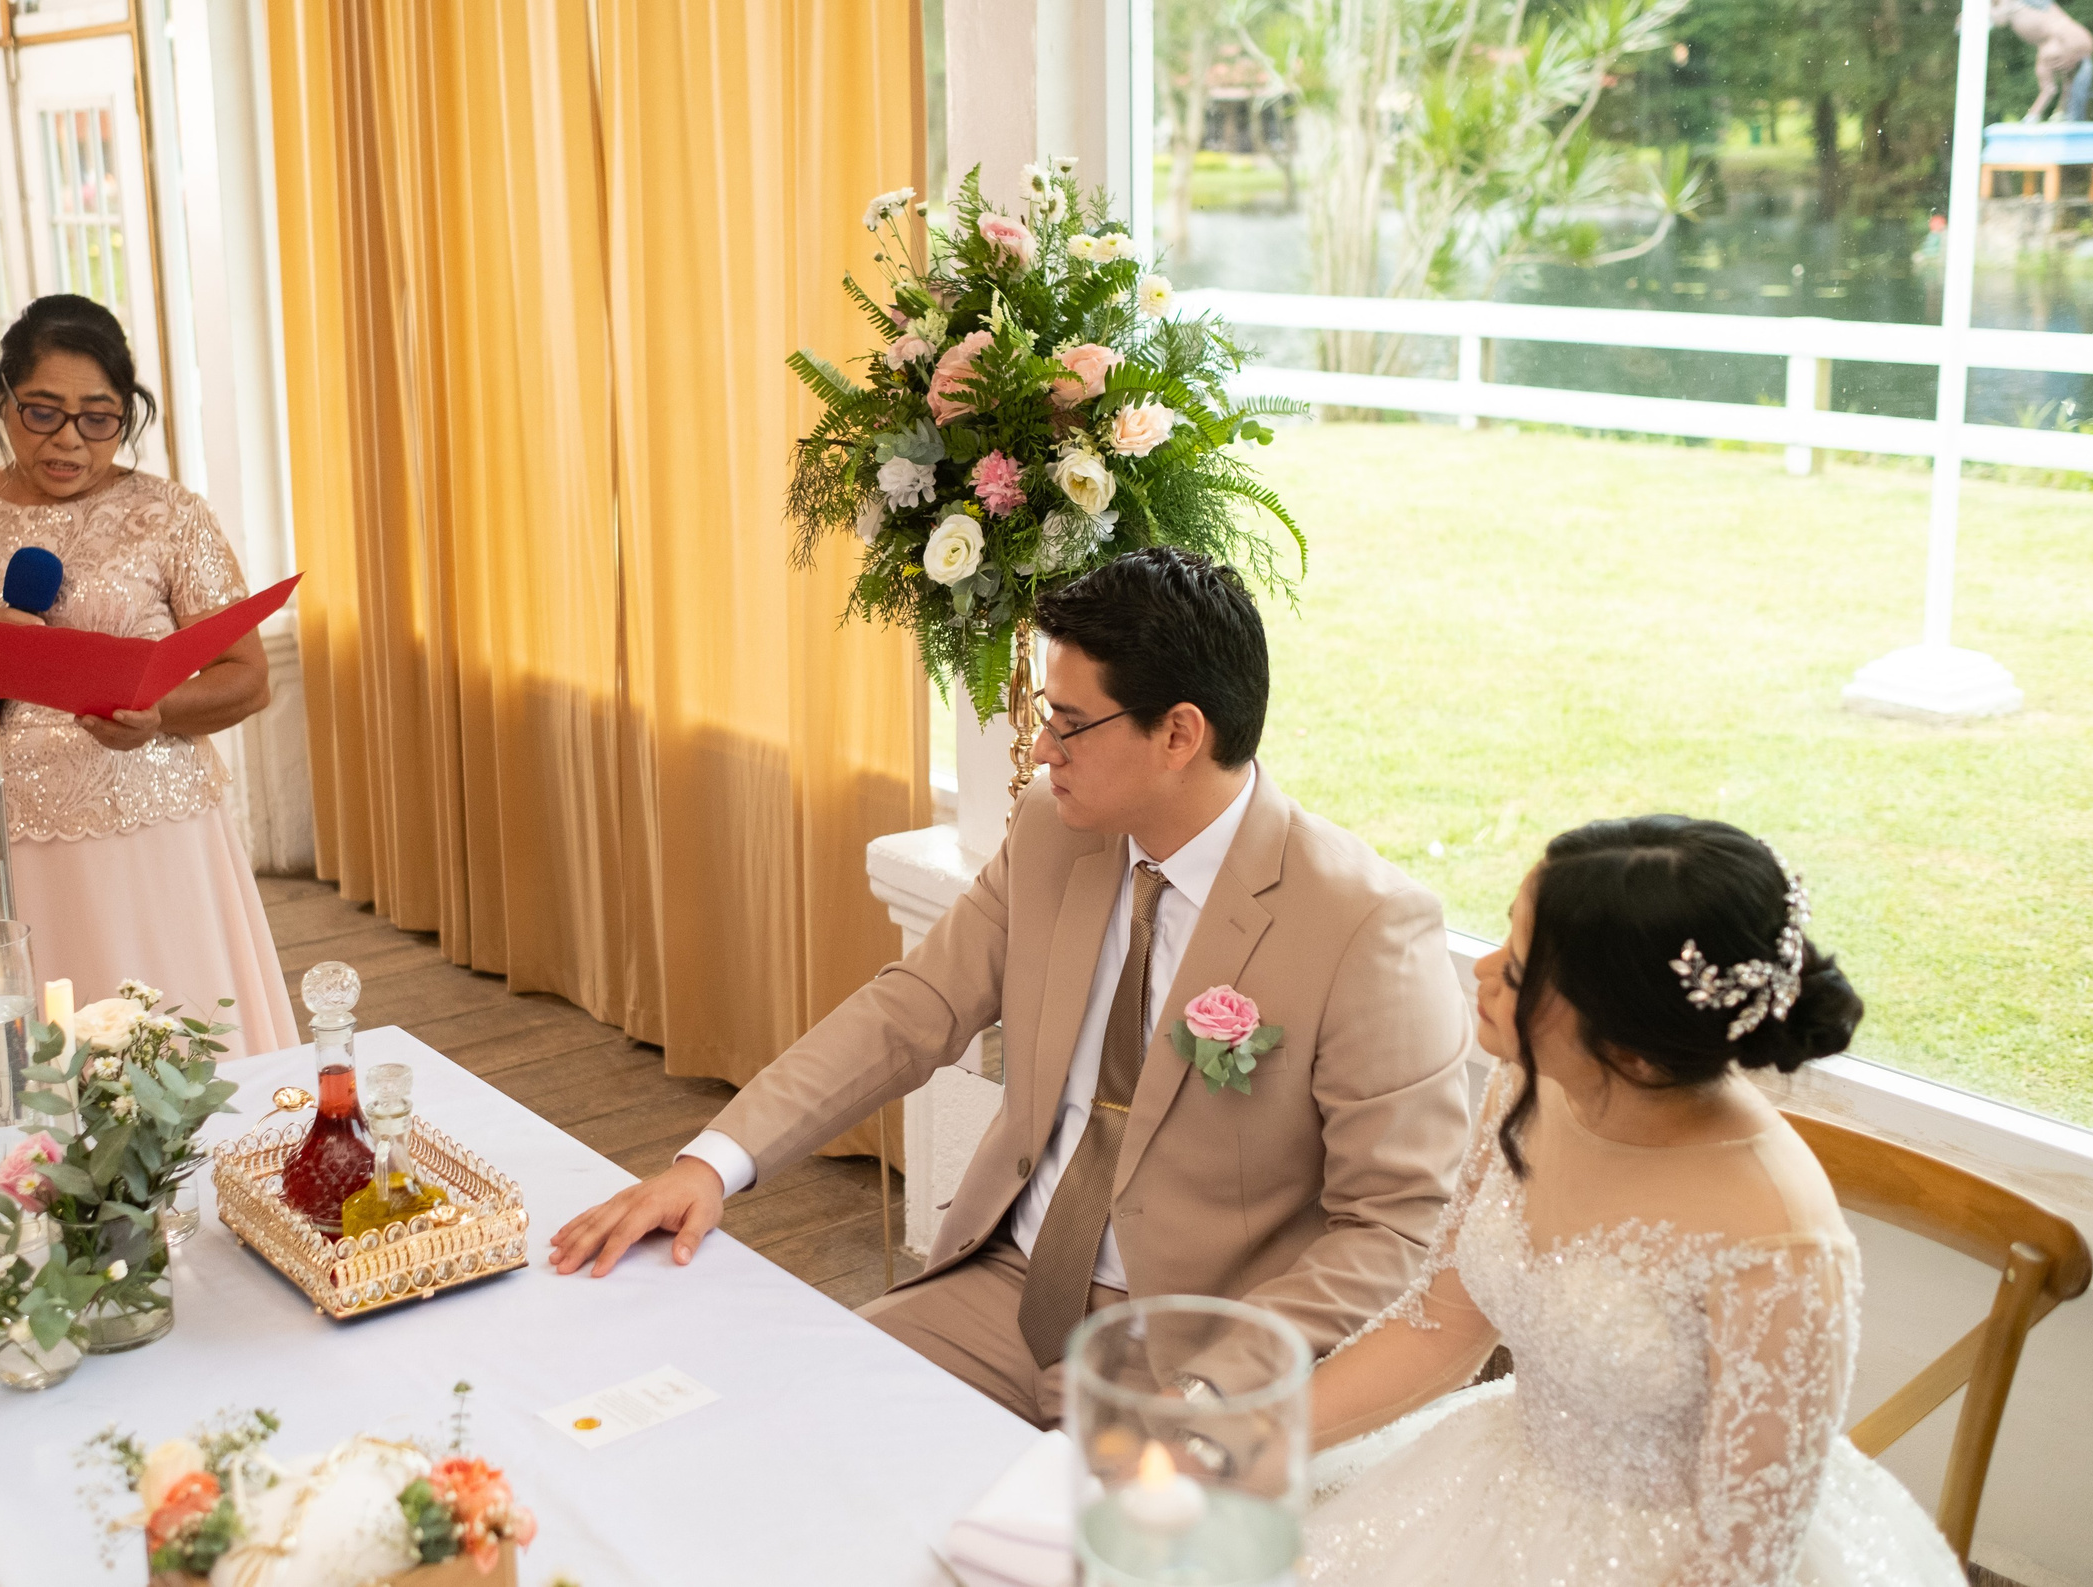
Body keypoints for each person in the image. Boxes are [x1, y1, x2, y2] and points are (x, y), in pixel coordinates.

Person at [550, 547, 1473, 1425]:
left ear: (1180, 734)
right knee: (786, 1418)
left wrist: (1205, 1395)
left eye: (1069, 725)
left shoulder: (1366, 925)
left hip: (1181, 1352)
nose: (1040, 751)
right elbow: (911, 1011)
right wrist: (710, 1163)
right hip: (1004, 1289)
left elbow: (1393, 1227)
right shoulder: (1052, 832)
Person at [1299, 817, 1961, 1586]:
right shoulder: (1531, 1082)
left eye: (1515, 970)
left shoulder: (1781, 1239)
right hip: (1497, 1480)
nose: (1480, 971)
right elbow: (1440, 1326)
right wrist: (1247, 1435)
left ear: (1628, 1038)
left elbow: (1739, 1563)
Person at [0, 294, 297, 1054]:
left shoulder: (170, 515)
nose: (68, 440)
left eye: (99, 417)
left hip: (142, 829)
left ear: (127, 414)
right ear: (4, 400)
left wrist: (160, 713)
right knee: (15, 1062)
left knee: (162, 1047)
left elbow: (248, 676)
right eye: (42, 412)